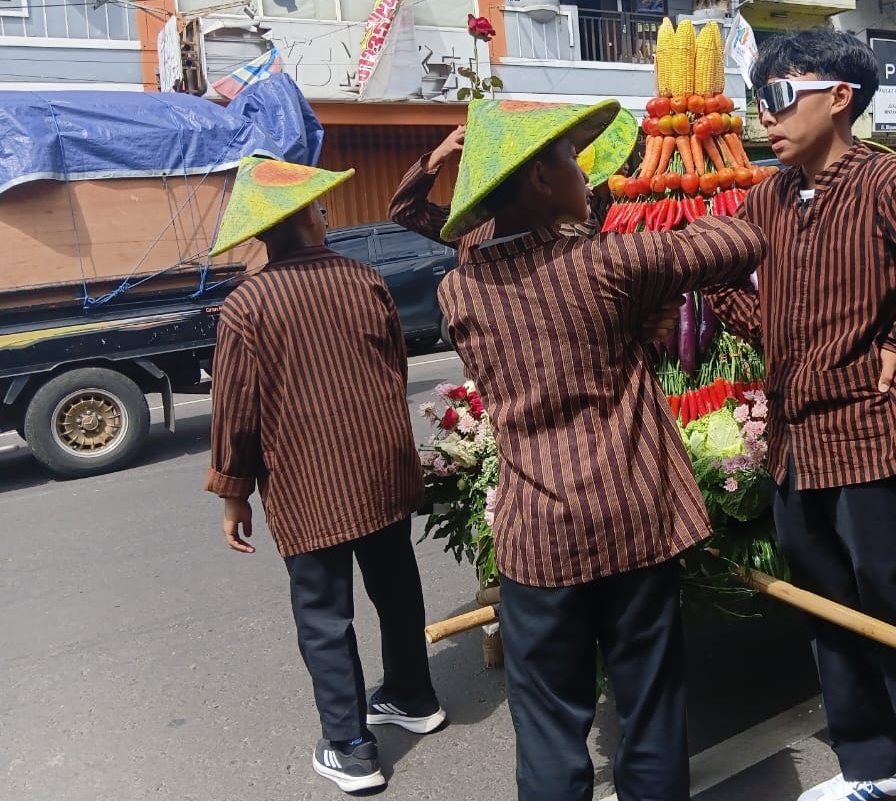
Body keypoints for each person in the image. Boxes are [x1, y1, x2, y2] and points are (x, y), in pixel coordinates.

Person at [436, 97, 767, 801]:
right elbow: (734, 245)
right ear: (537, 180)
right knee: (649, 708)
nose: (586, 178)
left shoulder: (457, 291)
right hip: (631, 521)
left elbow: (525, 293)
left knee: (551, 724)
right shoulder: (607, 263)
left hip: (539, 535)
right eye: (570, 163)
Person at [706, 30, 896, 801]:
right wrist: (766, 328)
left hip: (872, 437)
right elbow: (724, 281)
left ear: (840, 98)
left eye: (780, 95)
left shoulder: (887, 182)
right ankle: (870, 764)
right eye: (759, 97)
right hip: (794, 442)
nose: (765, 115)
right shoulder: (767, 194)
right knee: (827, 610)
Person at [204, 158, 444, 794]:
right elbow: (394, 370)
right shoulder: (364, 280)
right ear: (310, 218)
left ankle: (351, 744)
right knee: (396, 588)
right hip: (381, 468)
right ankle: (414, 696)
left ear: (262, 235)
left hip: (307, 485)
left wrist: (232, 493)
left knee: (323, 612)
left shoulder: (246, 305)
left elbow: (235, 412)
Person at [389, 110, 638, 259]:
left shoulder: (577, 212)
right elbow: (405, 211)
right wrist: (437, 157)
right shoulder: (471, 227)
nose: (625, 167)